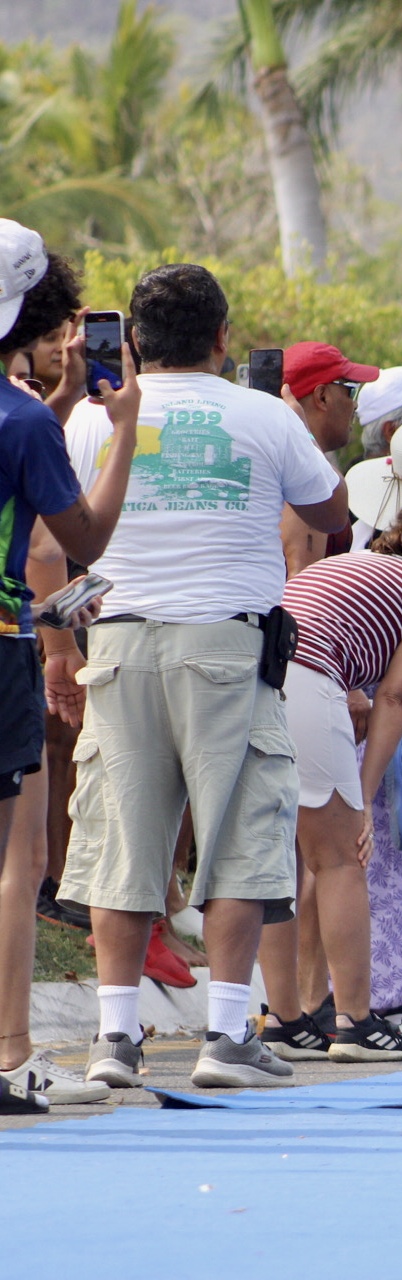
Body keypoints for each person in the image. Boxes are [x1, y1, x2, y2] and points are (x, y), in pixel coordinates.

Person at [58, 262, 349, 1090]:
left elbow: (60, 525)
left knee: (122, 838)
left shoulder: (89, 417)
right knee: (239, 836)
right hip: (227, 648)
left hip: (116, 642)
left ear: (135, 343)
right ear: (224, 339)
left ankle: (115, 1040)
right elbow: (331, 512)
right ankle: (226, 1036)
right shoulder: (263, 414)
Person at [0, 222, 140, 1105]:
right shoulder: (20, 420)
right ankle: (11, 1056)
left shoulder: (25, 418)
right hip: (3, 648)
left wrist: (53, 408)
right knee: (19, 856)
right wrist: (118, 428)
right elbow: (83, 533)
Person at [267, 489, 402, 1060]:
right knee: (340, 857)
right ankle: (356, 1022)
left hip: (254, 671)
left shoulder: (354, 561)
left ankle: (284, 1020)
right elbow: (397, 694)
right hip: (310, 676)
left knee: (279, 860)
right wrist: (361, 797)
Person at [279, 341, 375, 573]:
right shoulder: (303, 476)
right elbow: (300, 584)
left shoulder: (284, 461)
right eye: (350, 390)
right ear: (322, 397)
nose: (355, 405)